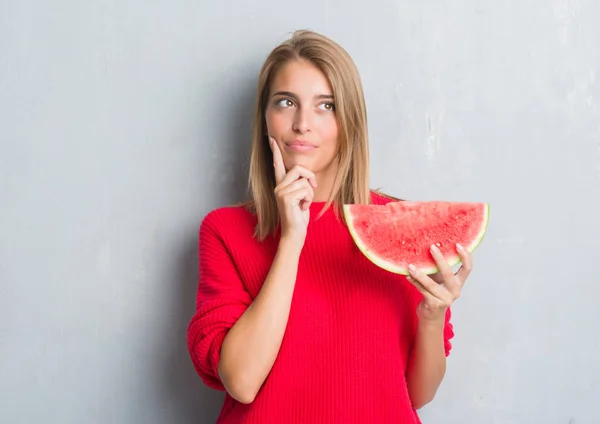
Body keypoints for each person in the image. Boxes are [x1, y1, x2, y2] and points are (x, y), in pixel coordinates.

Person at [186, 29, 473, 424]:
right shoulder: (225, 231)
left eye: (326, 105)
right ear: (264, 117)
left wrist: (432, 315)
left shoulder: (400, 225)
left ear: (349, 119)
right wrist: (291, 238)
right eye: (285, 102)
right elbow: (242, 380)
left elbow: (417, 395)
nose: (303, 123)